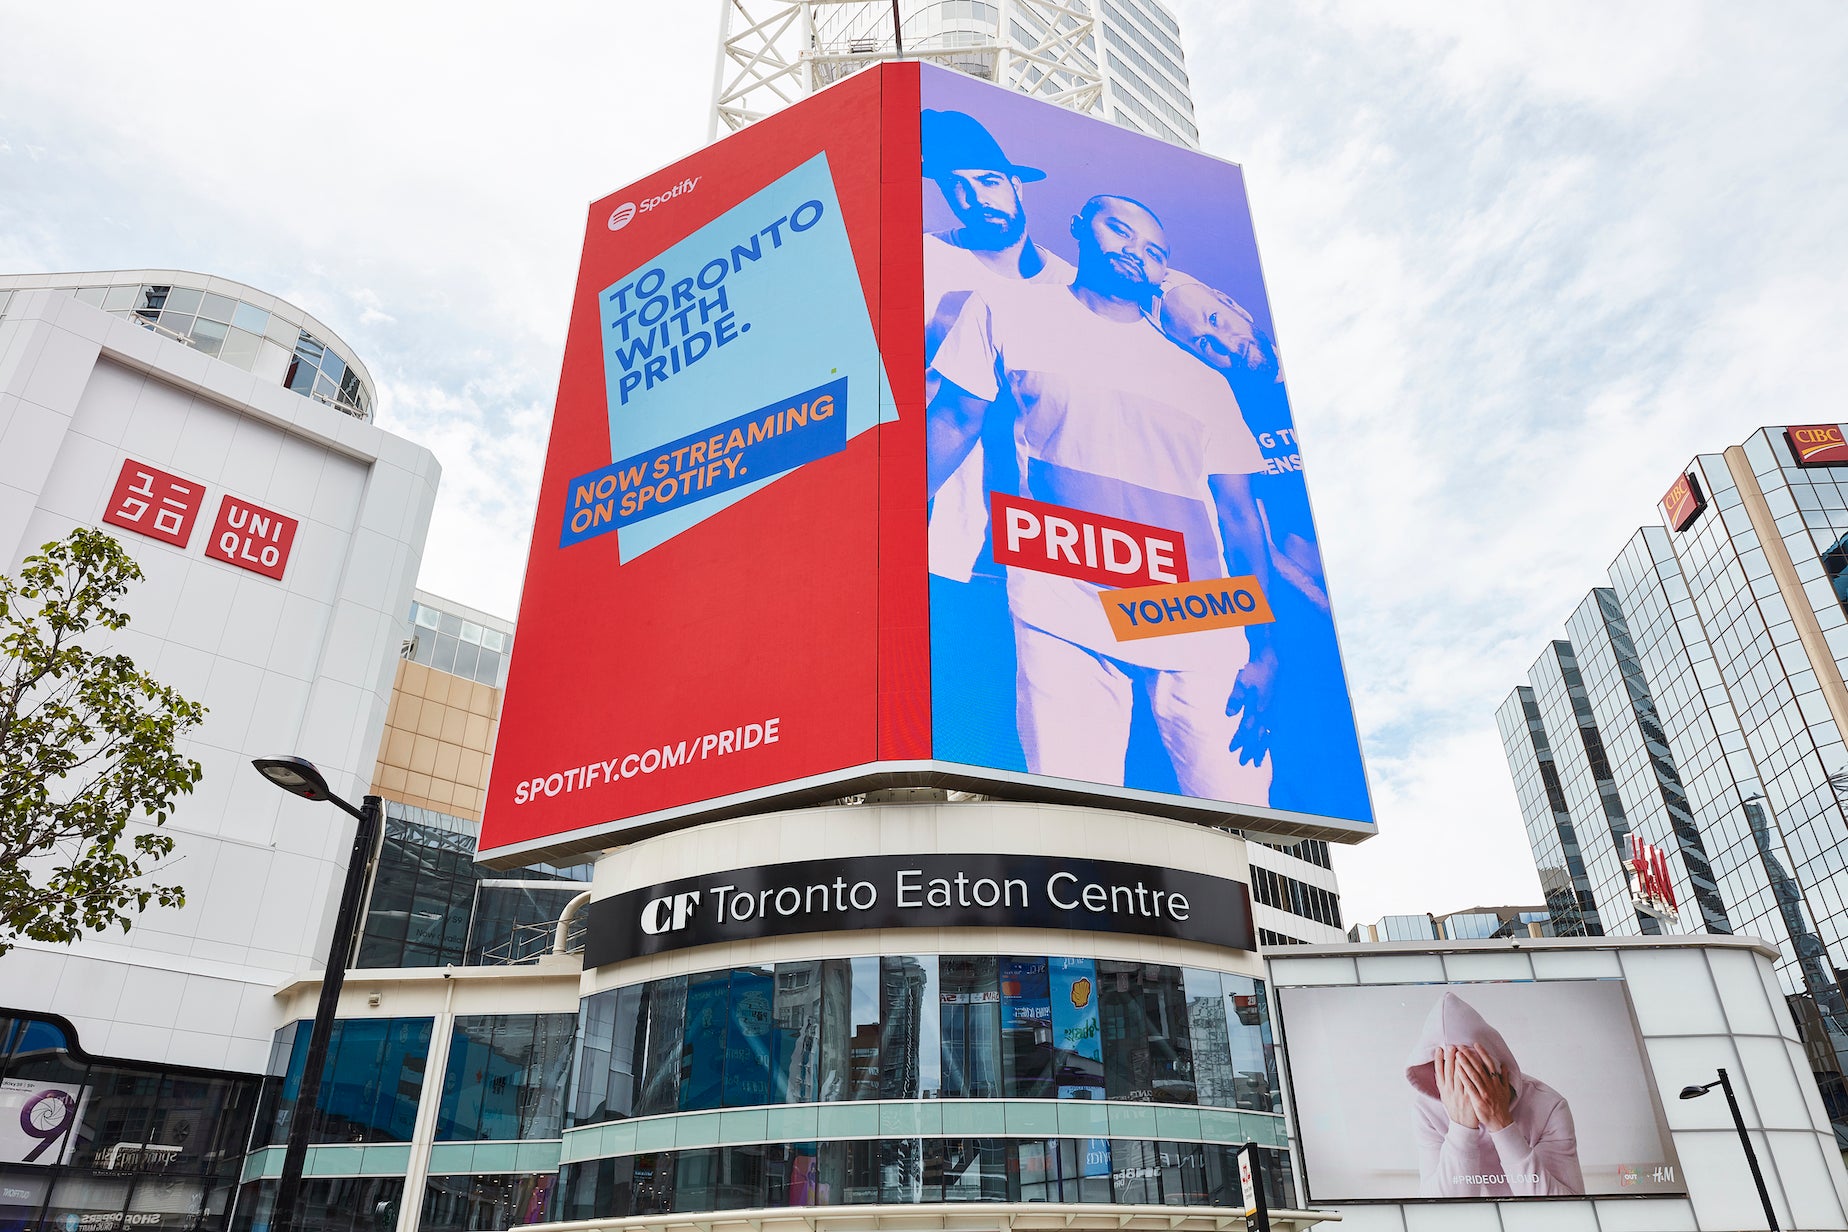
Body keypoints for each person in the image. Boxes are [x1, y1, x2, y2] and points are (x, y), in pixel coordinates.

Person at [927, 194, 1275, 798]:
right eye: (1120, 231)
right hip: (1063, 594)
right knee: (1073, 812)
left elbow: (1240, 519)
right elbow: (954, 421)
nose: (1135, 253)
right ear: (1078, 229)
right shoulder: (1006, 309)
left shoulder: (1206, 382)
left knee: (1240, 817)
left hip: (1199, 611)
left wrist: (1267, 649)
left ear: (1165, 273)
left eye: (1154, 251)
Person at [1156, 278, 1368, 818]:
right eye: (1203, 344)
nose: (1222, 344)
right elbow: (1258, 540)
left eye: (1213, 321)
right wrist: (1330, 614)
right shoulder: (1227, 413)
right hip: (1307, 636)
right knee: (1317, 788)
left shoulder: (1328, 377)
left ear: (1231, 302)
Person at [921, 109, 1075, 582]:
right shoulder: (922, 260)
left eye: (988, 182)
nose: (974, 200)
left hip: (1063, 538)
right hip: (948, 526)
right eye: (956, 188)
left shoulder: (1072, 286)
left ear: (1016, 186)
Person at [1406, 992, 1583, 1197]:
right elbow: (1440, 1214)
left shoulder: (1549, 1106)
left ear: (1496, 1063)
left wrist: (1502, 1125)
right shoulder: (1426, 1111)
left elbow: (1567, 1209)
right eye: (1449, 1068)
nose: (1464, 1082)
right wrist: (1461, 1127)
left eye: (1474, 1068)